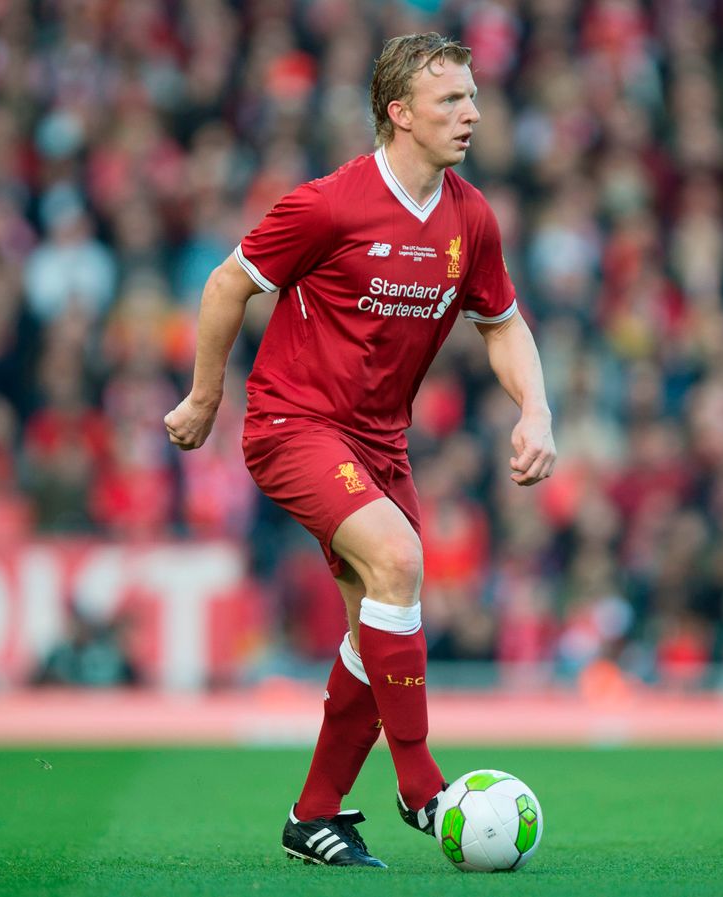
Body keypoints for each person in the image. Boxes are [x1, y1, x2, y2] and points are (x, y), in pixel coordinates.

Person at [164, 33, 556, 868]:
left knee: (381, 626)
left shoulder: (470, 219)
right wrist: (206, 396)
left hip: (381, 441)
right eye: (452, 100)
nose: (473, 113)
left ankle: (314, 815)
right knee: (399, 560)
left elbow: (505, 323)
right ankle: (423, 789)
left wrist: (538, 411)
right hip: (293, 422)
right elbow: (229, 282)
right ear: (399, 112)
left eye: (473, 96)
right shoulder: (330, 204)